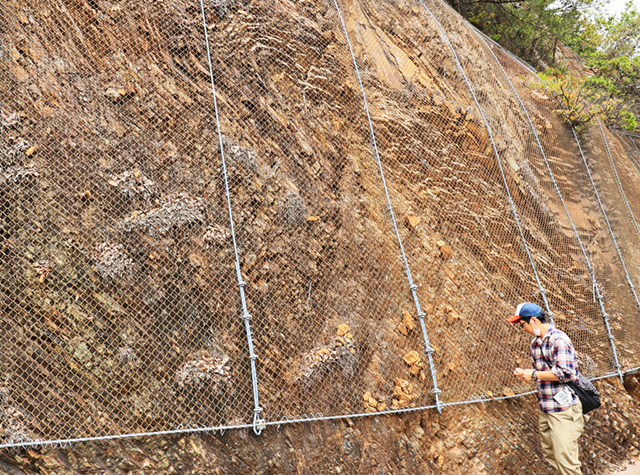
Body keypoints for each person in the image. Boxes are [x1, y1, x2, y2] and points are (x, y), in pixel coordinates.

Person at [508, 302, 585, 475]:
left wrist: (534, 374)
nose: (522, 329)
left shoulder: (558, 339)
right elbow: (544, 374)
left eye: (522, 324)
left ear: (534, 321)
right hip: (545, 407)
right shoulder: (535, 344)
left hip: (563, 410)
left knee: (566, 462)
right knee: (553, 457)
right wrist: (527, 375)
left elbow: (567, 373)